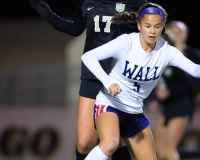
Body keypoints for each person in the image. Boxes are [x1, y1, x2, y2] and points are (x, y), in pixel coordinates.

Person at [80, 2, 200, 160]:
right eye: (148, 25)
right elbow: (88, 57)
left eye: (157, 26)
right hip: (111, 104)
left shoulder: (167, 51)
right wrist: (107, 82)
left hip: (134, 112)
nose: (152, 31)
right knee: (111, 143)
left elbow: (193, 69)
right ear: (139, 25)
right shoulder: (126, 42)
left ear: (162, 27)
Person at [29, 0, 148, 160]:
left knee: (115, 140)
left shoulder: (135, 3)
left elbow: (155, 30)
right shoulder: (88, 3)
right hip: (92, 76)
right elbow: (76, 29)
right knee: (85, 143)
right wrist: (51, 17)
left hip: (121, 79)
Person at [152, 21, 200, 160]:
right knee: (160, 151)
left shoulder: (187, 54)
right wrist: (157, 98)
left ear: (185, 36)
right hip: (168, 104)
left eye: (178, 31)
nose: (174, 34)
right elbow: (164, 82)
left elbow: (192, 82)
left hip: (182, 104)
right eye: (171, 31)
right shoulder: (164, 54)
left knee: (169, 150)